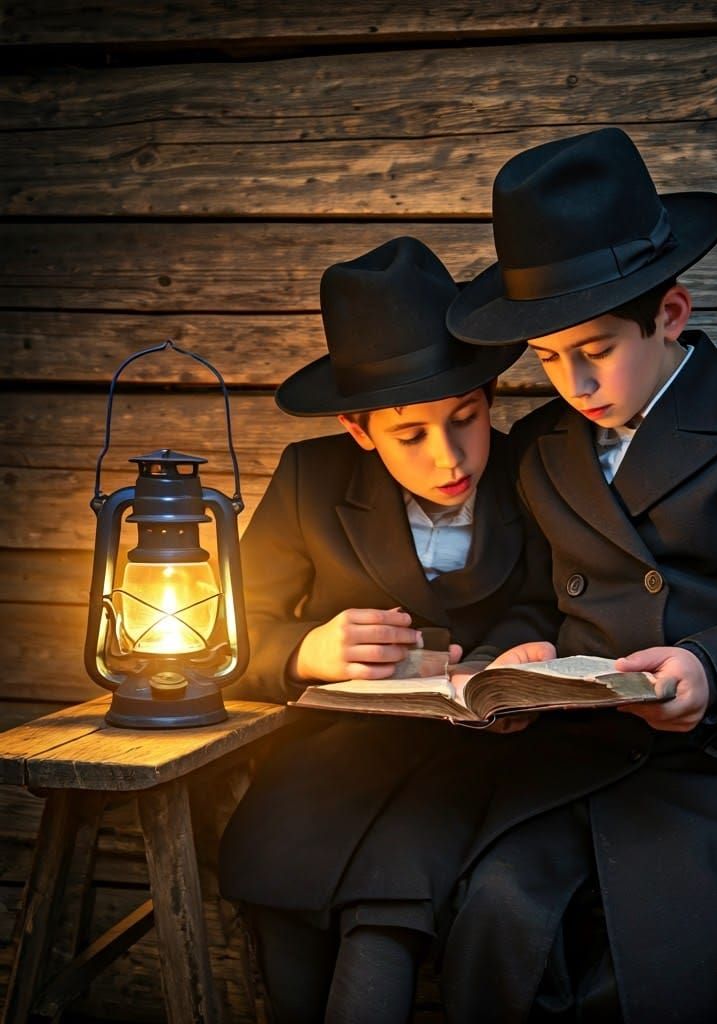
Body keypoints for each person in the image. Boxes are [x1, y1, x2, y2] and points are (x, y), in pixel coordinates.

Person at [442, 128, 717, 1022]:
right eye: (548, 357)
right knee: (499, 920)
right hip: (573, 762)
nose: (573, 383)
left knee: (662, 971)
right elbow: (534, 596)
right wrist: (518, 655)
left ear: (670, 313)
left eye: (595, 350)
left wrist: (710, 672)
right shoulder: (540, 447)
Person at [219, 236, 557, 1023]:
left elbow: (545, 599)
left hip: (471, 764)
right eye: (411, 436)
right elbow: (231, 632)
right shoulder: (308, 480)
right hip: (328, 772)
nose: (450, 457)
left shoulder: (533, 472)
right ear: (360, 429)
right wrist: (306, 650)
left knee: (387, 918)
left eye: (467, 418)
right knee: (286, 931)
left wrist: (502, 659)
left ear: (491, 394)